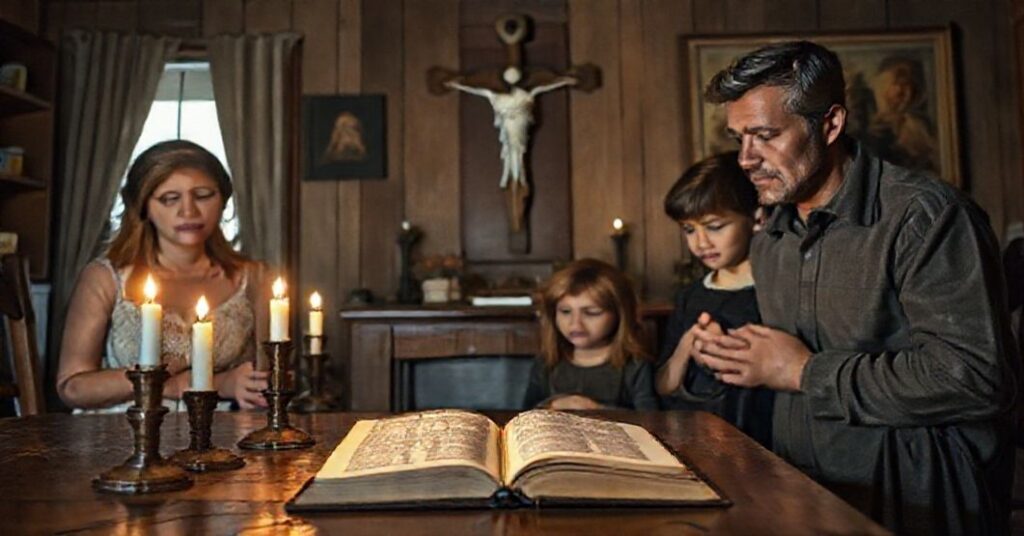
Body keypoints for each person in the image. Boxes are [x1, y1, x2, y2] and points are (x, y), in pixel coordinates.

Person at [695, 40, 1018, 534]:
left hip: (919, 505)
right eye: (738, 137)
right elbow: (785, 366)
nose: (745, 158)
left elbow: (973, 377)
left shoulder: (925, 217)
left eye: (764, 135)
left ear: (830, 124)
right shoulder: (771, 239)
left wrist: (804, 371)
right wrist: (734, 356)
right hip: (804, 499)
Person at [57, 140, 270, 412]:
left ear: (224, 199)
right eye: (170, 198)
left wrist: (246, 384)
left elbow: (270, 380)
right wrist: (175, 384)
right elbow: (73, 387)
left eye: (203, 195)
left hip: (220, 438)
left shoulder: (253, 278)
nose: (188, 211)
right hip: (120, 436)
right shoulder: (105, 277)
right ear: (143, 205)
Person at [656, 151, 774, 448]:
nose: (701, 242)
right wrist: (689, 344)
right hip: (695, 442)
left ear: (757, 218)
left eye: (714, 226)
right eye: (689, 230)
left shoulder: (774, 293)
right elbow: (663, 386)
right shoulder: (691, 297)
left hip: (760, 443)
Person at [522, 258, 657, 410]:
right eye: (565, 312)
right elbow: (525, 413)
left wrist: (596, 409)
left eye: (591, 313)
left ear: (619, 315)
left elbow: (649, 417)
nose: (575, 323)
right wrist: (552, 405)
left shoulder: (635, 365)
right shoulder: (547, 363)